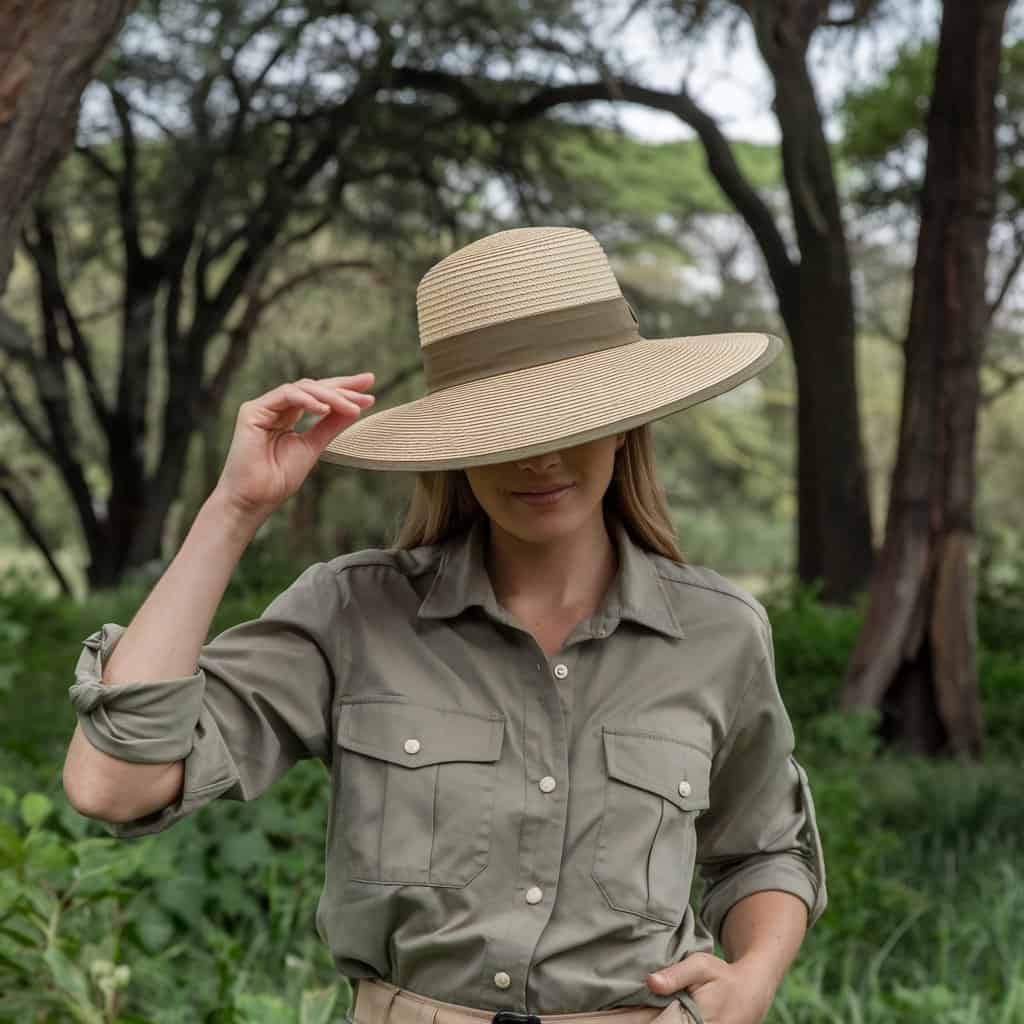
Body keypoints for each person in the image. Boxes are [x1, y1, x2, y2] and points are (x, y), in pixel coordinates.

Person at [62, 226, 827, 1024]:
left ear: (625, 423)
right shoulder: (355, 612)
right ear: (456, 445)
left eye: (570, 419)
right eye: (505, 429)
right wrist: (235, 509)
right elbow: (112, 785)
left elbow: (764, 847)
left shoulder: (719, 633)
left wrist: (754, 977)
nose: (540, 458)